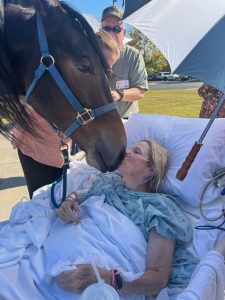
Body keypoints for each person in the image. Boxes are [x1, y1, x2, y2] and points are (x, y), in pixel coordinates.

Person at [56, 139, 198, 298]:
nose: (127, 152)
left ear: (150, 169)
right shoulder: (107, 182)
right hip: (54, 259)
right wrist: (69, 202)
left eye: (136, 151)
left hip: (94, 284)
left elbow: (158, 279)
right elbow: (80, 195)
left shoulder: (158, 208)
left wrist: (109, 278)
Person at [11, 30, 120, 199]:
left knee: (61, 198)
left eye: (108, 68)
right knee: (42, 199)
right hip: (35, 144)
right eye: (99, 66)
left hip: (59, 147)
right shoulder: (58, 73)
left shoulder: (91, 82)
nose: (102, 74)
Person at [101, 6, 148, 119]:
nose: (112, 34)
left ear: (124, 33)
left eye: (117, 29)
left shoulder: (134, 56)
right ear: (100, 31)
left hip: (126, 120)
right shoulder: (91, 55)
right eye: (107, 29)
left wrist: (119, 95)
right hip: (99, 122)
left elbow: (140, 92)